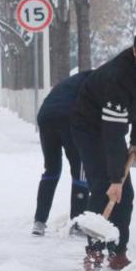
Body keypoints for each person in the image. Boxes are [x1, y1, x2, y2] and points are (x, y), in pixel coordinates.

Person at [71, 27, 136, 271]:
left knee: (125, 194)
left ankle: (118, 252)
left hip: (114, 126)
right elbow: (112, 134)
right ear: (135, 50)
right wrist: (116, 179)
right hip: (89, 127)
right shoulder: (117, 78)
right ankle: (94, 252)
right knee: (104, 187)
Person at [31, 71, 91, 237]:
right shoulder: (98, 82)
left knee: (51, 170)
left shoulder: (73, 80)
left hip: (45, 117)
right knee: (79, 171)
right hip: (68, 118)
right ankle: (77, 223)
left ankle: (39, 222)